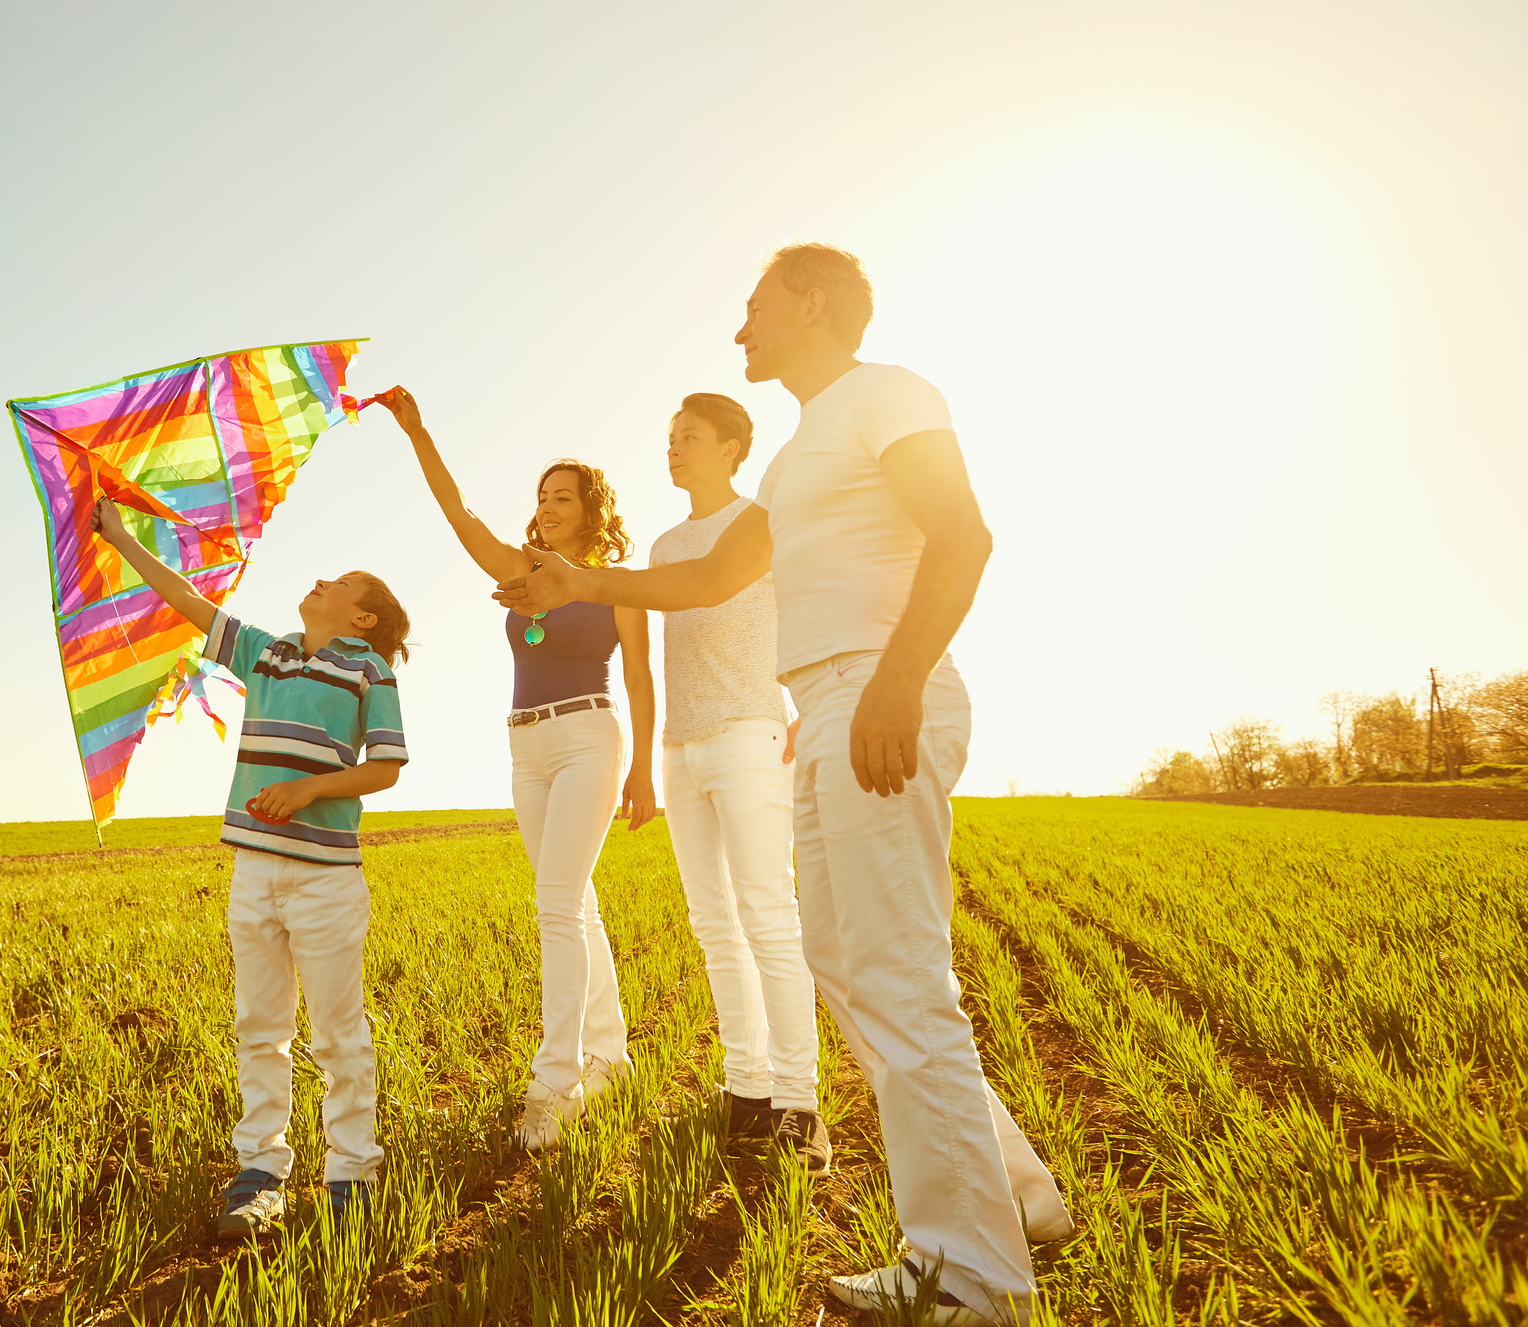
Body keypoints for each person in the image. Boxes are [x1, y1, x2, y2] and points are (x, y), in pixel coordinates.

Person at [492, 245, 1074, 1326]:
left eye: (752, 307)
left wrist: (894, 682)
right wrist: (584, 579)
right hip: (831, 704)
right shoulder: (798, 455)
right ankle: (1017, 1195)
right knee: (846, 961)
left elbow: (964, 533)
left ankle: (976, 1277)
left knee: (898, 972)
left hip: (877, 693)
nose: (738, 329)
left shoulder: (886, 395)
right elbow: (709, 579)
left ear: (809, 304)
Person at [91, 499, 411, 1238]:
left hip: (327, 880)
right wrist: (122, 537)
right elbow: (184, 600)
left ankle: (351, 1169)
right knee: (259, 1026)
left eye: (342, 582)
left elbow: (387, 767)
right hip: (255, 874)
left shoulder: (368, 671)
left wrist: (306, 788)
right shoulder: (265, 650)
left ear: (364, 619)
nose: (322, 580)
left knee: (337, 1031)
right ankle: (260, 1170)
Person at [378, 390, 656, 1151]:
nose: (548, 505)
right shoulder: (523, 568)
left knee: (555, 904)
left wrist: (644, 771)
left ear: (591, 508)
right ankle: (610, 1052)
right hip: (524, 747)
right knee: (575, 902)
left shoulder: (613, 582)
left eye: (563, 495)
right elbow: (460, 517)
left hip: (588, 739)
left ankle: (554, 1082)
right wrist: (418, 432)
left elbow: (638, 677)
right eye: (542, 496)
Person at [653, 392, 827, 1171]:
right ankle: (746, 1088)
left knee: (767, 914)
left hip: (750, 734)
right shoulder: (662, 546)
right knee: (712, 923)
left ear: (730, 447)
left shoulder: (760, 523)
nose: (674, 446)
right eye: (669, 437)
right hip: (681, 746)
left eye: (688, 436)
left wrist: (801, 707)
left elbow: (808, 610)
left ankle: (800, 1102)